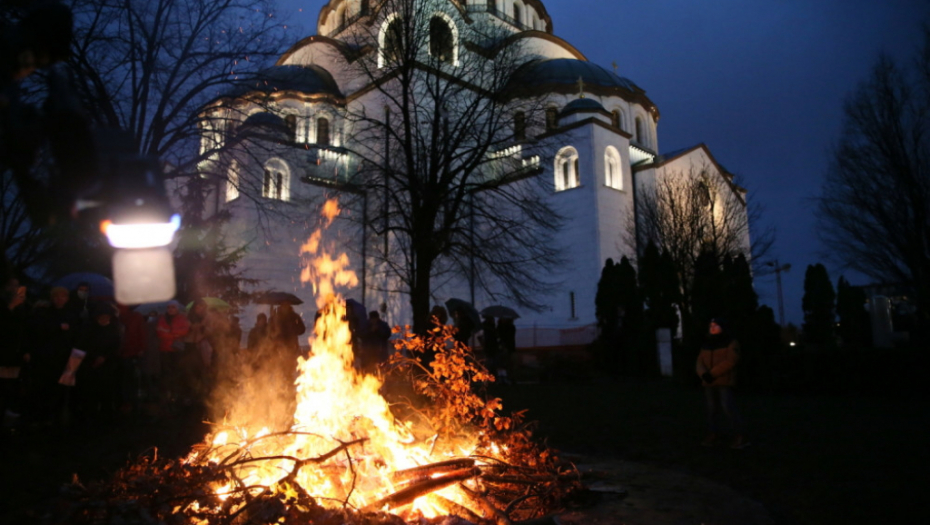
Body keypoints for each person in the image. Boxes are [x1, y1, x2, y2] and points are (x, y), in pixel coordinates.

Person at [696, 318, 748, 449]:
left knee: (728, 408)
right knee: (711, 409)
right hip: (708, 382)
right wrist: (704, 374)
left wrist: (711, 374)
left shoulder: (730, 342)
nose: (712, 328)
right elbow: (699, 362)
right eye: (711, 325)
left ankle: (739, 436)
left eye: (716, 325)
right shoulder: (706, 344)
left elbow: (731, 361)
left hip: (723, 381)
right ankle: (713, 434)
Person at [156, 301, 190, 408]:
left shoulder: (182, 318)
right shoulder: (162, 318)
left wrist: (168, 332)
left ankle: (177, 394)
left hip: (177, 350)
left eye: (173, 307)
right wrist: (174, 334)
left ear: (177, 308)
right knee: (166, 373)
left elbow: (185, 331)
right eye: (169, 307)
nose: (171, 309)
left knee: (177, 373)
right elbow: (159, 332)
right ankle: (167, 394)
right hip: (165, 350)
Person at [496, 317, 516, 385]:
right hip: (506, 347)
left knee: (504, 363)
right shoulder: (507, 327)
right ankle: (504, 377)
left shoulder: (509, 328)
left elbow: (505, 337)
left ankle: (505, 377)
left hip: (506, 347)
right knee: (504, 363)